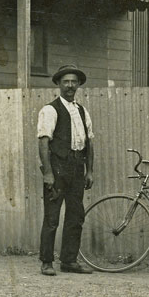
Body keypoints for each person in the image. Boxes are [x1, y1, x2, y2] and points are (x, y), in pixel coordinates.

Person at [37, 64, 95, 276]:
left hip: (77, 168)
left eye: (73, 82)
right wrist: (48, 173)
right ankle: (46, 262)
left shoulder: (82, 111)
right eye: (66, 82)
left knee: (75, 215)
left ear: (78, 85)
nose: (70, 86)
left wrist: (89, 171)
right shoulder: (50, 110)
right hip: (58, 169)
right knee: (52, 217)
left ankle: (69, 261)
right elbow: (43, 143)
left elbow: (89, 143)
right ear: (59, 85)